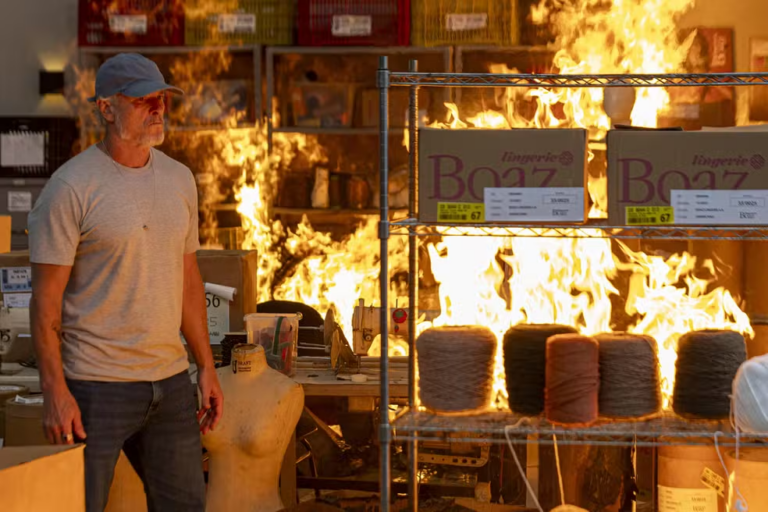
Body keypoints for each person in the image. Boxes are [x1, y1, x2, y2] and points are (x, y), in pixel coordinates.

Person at [28, 53, 223, 512]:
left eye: (160, 99)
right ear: (107, 108)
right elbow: (45, 302)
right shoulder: (71, 188)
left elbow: (188, 280)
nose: (157, 109)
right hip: (95, 386)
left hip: (171, 383)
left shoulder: (179, 179)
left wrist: (206, 367)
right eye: (142, 101)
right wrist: (56, 393)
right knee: (79, 507)